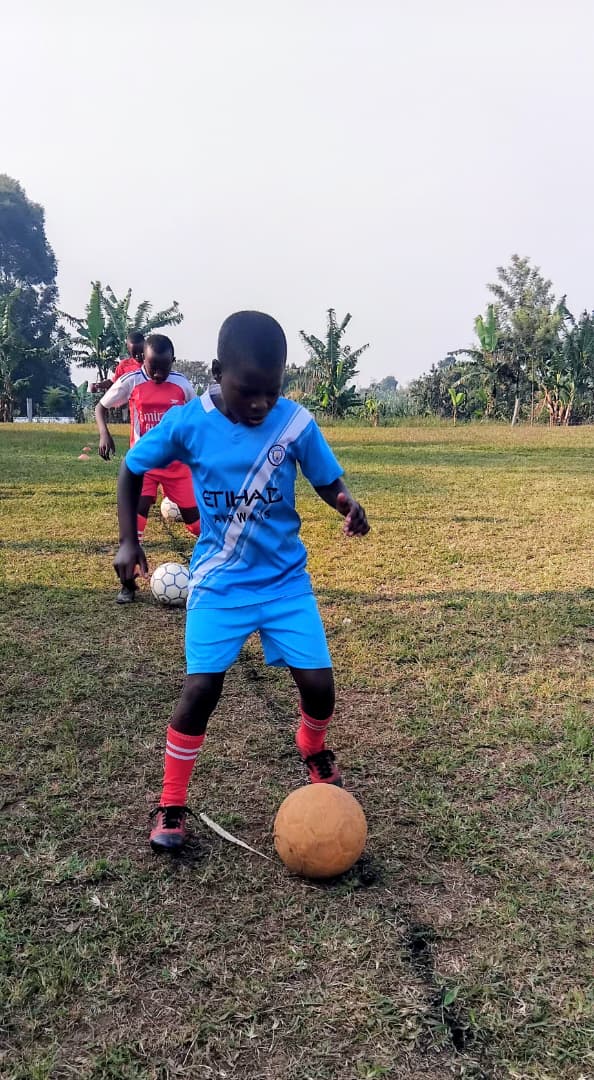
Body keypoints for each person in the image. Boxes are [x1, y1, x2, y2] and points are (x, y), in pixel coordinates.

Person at [113, 311, 370, 852]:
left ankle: (312, 745)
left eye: (270, 393)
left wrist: (345, 503)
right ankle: (171, 803)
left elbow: (327, 479)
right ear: (216, 372)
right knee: (200, 692)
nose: (259, 405)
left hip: (284, 584)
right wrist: (129, 540)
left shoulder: (295, 423)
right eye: (246, 391)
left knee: (320, 687)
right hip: (219, 586)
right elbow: (133, 466)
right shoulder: (190, 423)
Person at [96, 333, 201, 603]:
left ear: (173, 362)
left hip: (177, 466)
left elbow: (197, 416)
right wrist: (104, 434)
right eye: (153, 367)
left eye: (164, 368)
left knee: (197, 524)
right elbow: (101, 406)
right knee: (134, 524)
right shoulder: (131, 381)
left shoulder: (181, 384)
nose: (158, 373)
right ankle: (128, 585)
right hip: (143, 467)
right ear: (143, 359)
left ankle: (217, 574)